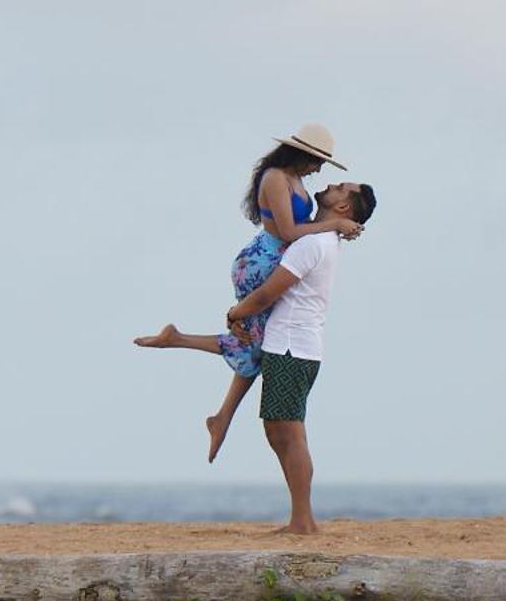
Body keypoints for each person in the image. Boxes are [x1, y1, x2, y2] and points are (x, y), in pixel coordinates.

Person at [133, 124, 364, 462]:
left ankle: (217, 410)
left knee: (257, 347)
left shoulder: (296, 181)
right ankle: (187, 357)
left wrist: (340, 227)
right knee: (256, 343)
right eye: (318, 162)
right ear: (304, 156)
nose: (319, 170)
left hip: (275, 260)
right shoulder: (274, 178)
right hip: (261, 262)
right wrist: (335, 224)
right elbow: (288, 231)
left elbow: (307, 232)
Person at [224, 179, 377, 533]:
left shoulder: (311, 244)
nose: (332, 183)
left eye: (341, 188)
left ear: (343, 208)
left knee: (287, 433)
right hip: (296, 345)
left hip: (292, 345)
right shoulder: (321, 239)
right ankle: (301, 518)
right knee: (282, 431)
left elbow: (266, 294)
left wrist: (235, 314)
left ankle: (302, 521)